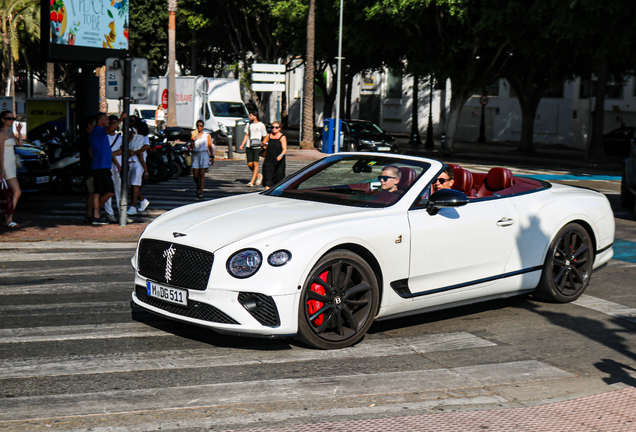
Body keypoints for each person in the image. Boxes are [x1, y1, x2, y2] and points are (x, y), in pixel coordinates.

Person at [89, 112, 127, 225]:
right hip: (102, 166)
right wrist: (121, 120)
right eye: (106, 119)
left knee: (97, 192)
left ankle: (95, 215)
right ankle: (95, 212)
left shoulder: (96, 132)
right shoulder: (99, 131)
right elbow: (110, 128)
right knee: (110, 191)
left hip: (99, 165)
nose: (108, 121)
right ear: (100, 121)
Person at [0, 111, 23, 228]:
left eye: (12, 118)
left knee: (7, 193)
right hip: (6, 166)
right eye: (9, 118)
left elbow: (20, 144)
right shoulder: (1, 133)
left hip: (12, 166)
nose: (11, 120)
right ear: (2, 120)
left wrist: (19, 132)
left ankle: (6, 217)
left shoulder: (9, 132)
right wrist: (2, 171)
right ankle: (9, 219)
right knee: (17, 191)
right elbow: (1, 153)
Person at [127, 120, 150, 215]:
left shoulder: (142, 137)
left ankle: (132, 206)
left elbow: (145, 147)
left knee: (135, 184)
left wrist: (134, 152)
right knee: (131, 185)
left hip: (137, 163)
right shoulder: (136, 136)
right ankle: (143, 200)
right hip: (131, 161)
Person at [239, 111, 267, 187]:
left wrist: (264, 144)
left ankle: (252, 181)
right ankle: (258, 175)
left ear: (255, 116)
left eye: (250, 115)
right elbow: (246, 135)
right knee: (250, 164)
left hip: (257, 146)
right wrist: (242, 144)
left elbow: (265, 136)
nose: (249, 117)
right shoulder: (249, 124)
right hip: (249, 145)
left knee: (255, 163)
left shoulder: (261, 125)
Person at [103, 115, 123, 222]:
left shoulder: (119, 138)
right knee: (109, 190)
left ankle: (121, 212)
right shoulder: (104, 137)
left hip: (117, 166)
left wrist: (112, 155)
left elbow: (121, 150)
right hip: (109, 166)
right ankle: (109, 213)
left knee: (119, 190)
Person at [190, 120, 215, 199]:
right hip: (196, 154)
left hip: (204, 154)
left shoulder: (207, 135)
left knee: (202, 174)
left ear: (203, 126)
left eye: (201, 125)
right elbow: (192, 147)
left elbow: (210, 145)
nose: (199, 127)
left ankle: (201, 191)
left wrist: (212, 156)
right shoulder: (194, 134)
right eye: (198, 125)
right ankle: (198, 186)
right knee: (195, 175)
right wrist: (192, 141)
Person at [261, 121, 287, 190]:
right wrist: (264, 145)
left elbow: (284, 149)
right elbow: (263, 143)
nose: (274, 129)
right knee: (268, 177)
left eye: (276, 127)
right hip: (269, 160)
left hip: (278, 161)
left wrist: (281, 155)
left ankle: (276, 192)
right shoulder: (268, 136)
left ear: (279, 128)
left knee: (278, 177)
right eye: (272, 127)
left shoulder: (282, 137)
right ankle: (267, 192)